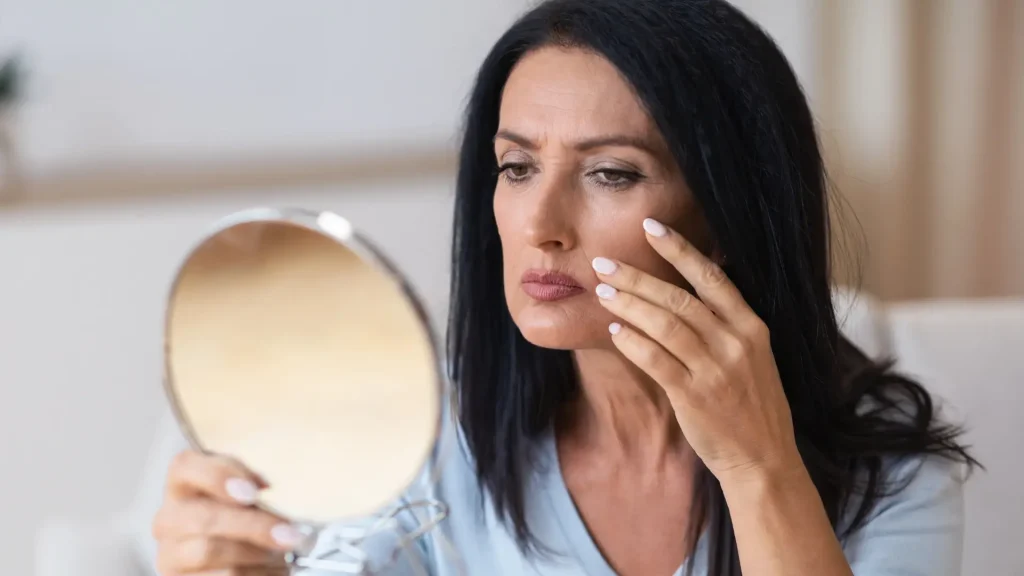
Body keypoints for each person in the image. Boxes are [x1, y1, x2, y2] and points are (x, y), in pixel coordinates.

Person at [151, 1, 978, 574]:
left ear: (728, 213)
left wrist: (759, 468)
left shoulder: (893, 470)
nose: (539, 221)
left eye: (611, 174)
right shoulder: (428, 440)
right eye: (515, 167)